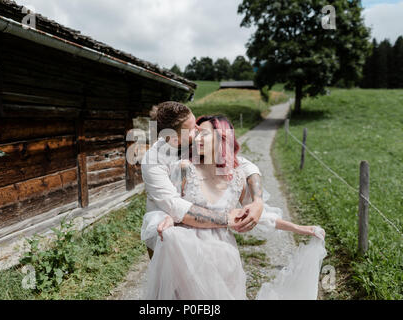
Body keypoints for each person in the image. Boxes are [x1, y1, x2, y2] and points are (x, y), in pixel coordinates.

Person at [143, 114, 326, 299]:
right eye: (196, 133)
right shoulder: (183, 168)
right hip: (188, 256)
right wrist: (170, 218)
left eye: (204, 134)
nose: (196, 138)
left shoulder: (237, 178)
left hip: (223, 257)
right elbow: (173, 205)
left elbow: (255, 214)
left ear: (222, 138)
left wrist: (301, 228)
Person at [140, 102, 265, 258]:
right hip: (165, 234)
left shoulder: (193, 142)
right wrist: (227, 218)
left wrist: (258, 201)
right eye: (193, 129)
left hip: (202, 232)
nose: (199, 130)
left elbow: (245, 165)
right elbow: (175, 206)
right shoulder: (153, 160)